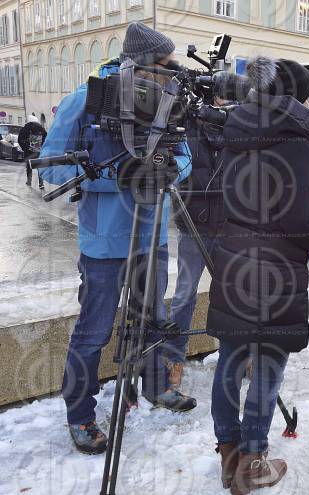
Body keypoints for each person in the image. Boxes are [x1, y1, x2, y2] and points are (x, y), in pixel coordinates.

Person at [38, 22, 197, 455]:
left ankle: (155, 385)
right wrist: (117, 178)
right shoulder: (84, 100)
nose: (172, 73)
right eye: (166, 65)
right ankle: (81, 415)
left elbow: (184, 159)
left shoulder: (168, 101)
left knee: (153, 324)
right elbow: (49, 167)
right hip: (104, 245)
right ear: (142, 64)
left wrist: (165, 172)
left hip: (154, 238)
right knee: (93, 332)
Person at [207, 56, 309, 494]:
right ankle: (254, 460)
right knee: (268, 362)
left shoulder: (237, 130)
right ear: (300, 97)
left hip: (234, 257)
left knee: (230, 356)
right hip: (275, 267)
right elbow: (297, 216)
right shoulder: (294, 138)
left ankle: (228, 455)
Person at [165, 73, 250, 391]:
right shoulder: (189, 124)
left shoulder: (241, 130)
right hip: (193, 226)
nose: (235, 106)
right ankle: (174, 361)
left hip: (231, 228)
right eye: (230, 99)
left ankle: (241, 359)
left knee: (236, 297)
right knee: (184, 296)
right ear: (214, 98)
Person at [20, 114, 47, 189]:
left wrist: (25, 148)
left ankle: (29, 181)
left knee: (29, 167)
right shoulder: (42, 129)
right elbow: (46, 139)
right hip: (39, 152)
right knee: (40, 167)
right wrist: (42, 147)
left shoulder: (25, 129)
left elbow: (20, 140)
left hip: (29, 152)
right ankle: (41, 183)